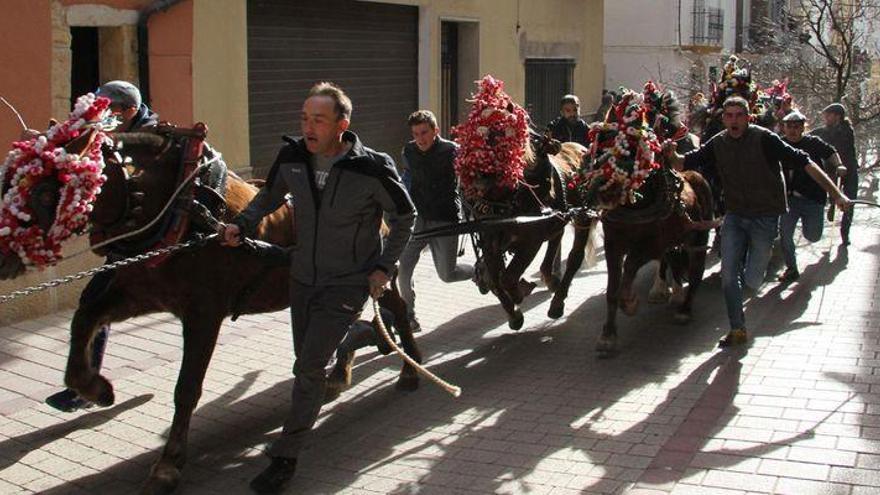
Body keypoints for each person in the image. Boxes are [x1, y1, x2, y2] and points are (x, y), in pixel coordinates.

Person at [221, 82, 415, 494]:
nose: (308, 127)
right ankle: (363, 334)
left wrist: (384, 265)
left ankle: (285, 457)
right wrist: (242, 223)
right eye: (304, 118)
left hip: (348, 280)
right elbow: (268, 197)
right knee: (308, 357)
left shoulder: (372, 167)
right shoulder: (292, 156)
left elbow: (405, 216)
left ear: (342, 125)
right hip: (302, 278)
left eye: (318, 120)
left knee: (308, 368)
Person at [667, 96, 850, 348]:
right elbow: (683, 162)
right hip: (734, 217)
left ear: (748, 117)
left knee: (752, 281)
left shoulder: (765, 138)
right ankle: (737, 328)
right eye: (729, 116)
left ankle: (747, 288)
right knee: (729, 277)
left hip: (765, 218)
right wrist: (670, 152)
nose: (733, 120)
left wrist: (836, 193)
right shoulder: (718, 143)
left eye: (738, 115)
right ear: (723, 119)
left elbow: (805, 162)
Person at [43, 80, 159, 413]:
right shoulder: (107, 135)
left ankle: (83, 386)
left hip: (151, 240)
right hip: (125, 241)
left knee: (94, 305)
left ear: (130, 112)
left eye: (109, 112)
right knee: (94, 303)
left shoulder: (150, 139)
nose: (102, 119)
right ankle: (87, 383)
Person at [397, 110, 473, 331]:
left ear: (435, 131)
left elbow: (466, 180)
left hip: (445, 218)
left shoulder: (452, 151)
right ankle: (409, 317)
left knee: (447, 275)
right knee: (404, 270)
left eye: (424, 132)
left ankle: (478, 271)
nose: (420, 139)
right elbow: (407, 179)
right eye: (415, 133)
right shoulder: (408, 151)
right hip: (418, 219)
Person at [777, 110, 846, 282]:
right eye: (789, 126)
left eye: (796, 127)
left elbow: (830, 152)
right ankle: (791, 268)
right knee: (785, 234)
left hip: (813, 198)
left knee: (813, 236)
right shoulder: (779, 144)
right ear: (784, 128)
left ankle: (826, 211)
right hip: (789, 200)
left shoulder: (812, 143)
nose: (792, 130)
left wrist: (839, 165)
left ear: (803, 128)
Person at [810, 103, 859, 245]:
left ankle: (845, 233)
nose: (825, 117)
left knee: (850, 200)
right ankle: (832, 203)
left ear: (837, 116)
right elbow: (811, 136)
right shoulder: (823, 131)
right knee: (833, 193)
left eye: (828, 114)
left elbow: (834, 140)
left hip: (849, 170)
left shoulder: (846, 130)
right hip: (832, 170)